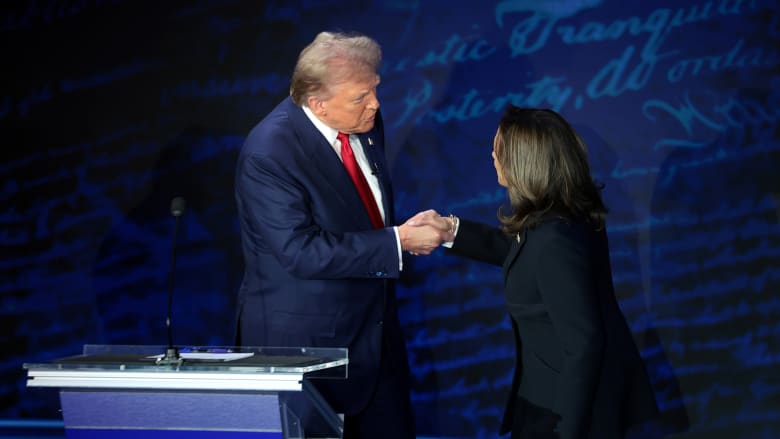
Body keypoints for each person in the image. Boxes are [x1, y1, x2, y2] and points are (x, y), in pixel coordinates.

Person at [233, 31, 450, 439]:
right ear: (317, 103)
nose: (375, 104)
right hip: (308, 353)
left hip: (375, 337)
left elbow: (355, 211)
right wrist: (397, 242)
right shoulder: (271, 151)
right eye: (360, 97)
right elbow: (299, 251)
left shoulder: (365, 121)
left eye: (375, 90)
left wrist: (402, 229)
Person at [409, 106, 659, 438]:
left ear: (523, 161)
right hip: (550, 402)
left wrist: (565, 431)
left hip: (563, 414)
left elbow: (583, 344)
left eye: (498, 147)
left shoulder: (555, 239)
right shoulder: (560, 216)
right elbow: (525, 256)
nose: (492, 155)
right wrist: (451, 230)